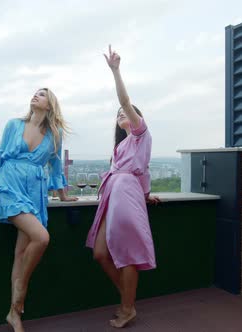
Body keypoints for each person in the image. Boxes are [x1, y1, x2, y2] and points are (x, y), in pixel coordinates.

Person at [0, 88, 78, 332]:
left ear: (50, 105)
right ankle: (21, 289)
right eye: (35, 93)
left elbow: (56, 166)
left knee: (21, 252)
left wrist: (63, 196)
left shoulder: (54, 135)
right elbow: (1, 157)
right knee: (41, 237)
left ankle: (14, 313)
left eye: (42, 94)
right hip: (9, 186)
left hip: (35, 193)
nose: (35, 96)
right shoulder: (13, 125)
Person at [86, 45, 161, 328]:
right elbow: (143, 177)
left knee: (128, 253)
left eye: (125, 111)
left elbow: (125, 99)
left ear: (136, 117)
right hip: (115, 197)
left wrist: (116, 71)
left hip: (125, 198)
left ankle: (127, 307)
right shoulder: (120, 148)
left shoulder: (142, 135)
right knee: (100, 253)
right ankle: (127, 299)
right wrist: (147, 195)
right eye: (118, 113)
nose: (121, 113)